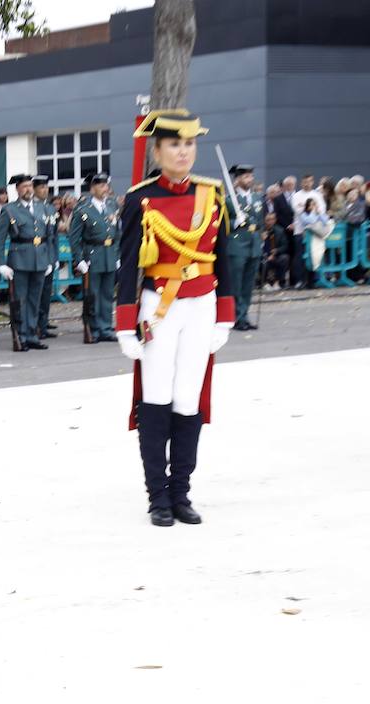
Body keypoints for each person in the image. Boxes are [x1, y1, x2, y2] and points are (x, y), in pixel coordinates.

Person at [116, 109, 236, 528]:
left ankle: (181, 492)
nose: (183, 152)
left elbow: (224, 257)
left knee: (189, 398)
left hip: (202, 304)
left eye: (189, 144)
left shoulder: (211, 194)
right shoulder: (140, 198)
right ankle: (158, 497)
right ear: (157, 149)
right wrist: (124, 323)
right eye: (174, 144)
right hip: (159, 309)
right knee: (156, 397)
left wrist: (225, 315)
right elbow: (128, 262)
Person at [0, 175, 50, 351]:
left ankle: (32, 334)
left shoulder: (41, 208)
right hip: (19, 260)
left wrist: (49, 259)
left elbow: (48, 236)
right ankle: (20, 335)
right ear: (17, 189)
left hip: (39, 259)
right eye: (24, 187)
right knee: (20, 300)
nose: (28, 190)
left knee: (35, 300)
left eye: (30, 186)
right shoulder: (10, 210)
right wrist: (0, 263)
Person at [69, 172, 120, 342]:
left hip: (109, 255)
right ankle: (93, 329)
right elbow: (74, 237)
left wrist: (117, 254)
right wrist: (79, 260)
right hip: (93, 255)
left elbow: (118, 232)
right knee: (93, 294)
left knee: (107, 294)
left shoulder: (112, 206)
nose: (105, 189)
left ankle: (106, 327)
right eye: (101, 185)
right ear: (92, 189)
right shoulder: (83, 209)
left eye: (106, 185)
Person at [224, 165, 265, 331]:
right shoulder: (228, 200)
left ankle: (245, 315)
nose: (250, 179)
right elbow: (223, 225)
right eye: (246, 177)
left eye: (250, 176)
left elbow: (261, 223)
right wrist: (235, 222)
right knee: (236, 284)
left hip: (254, 244)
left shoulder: (257, 198)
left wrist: (261, 240)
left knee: (248, 285)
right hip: (237, 244)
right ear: (238, 179)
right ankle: (236, 317)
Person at [31, 175, 60, 338]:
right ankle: (34, 325)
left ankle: (43, 324)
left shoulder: (50, 208)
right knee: (37, 293)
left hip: (48, 255)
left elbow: (53, 235)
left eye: (46, 187)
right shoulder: (33, 207)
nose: (45, 190)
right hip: (37, 256)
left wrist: (54, 257)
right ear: (34, 189)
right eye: (41, 187)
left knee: (46, 292)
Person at [262, 210, 290, 288]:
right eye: (268, 220)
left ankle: (279, 282)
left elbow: (285, 246)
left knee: (284, 258)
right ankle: (264, 283)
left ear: (275, 220)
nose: (270, 222)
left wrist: (276, 251)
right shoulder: (261, 231)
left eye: (272, 219)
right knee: (261, 261)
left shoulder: (280, 230)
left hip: (276, 255)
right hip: (264, 256)